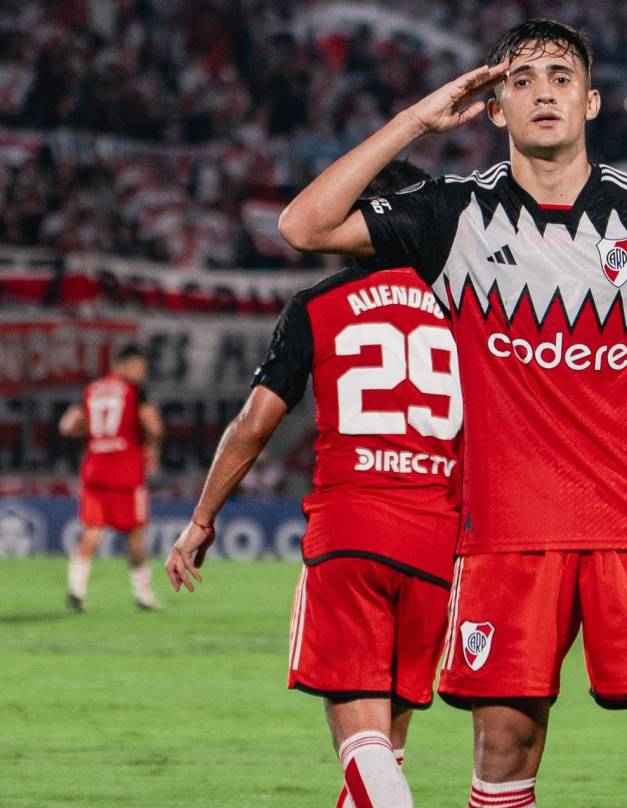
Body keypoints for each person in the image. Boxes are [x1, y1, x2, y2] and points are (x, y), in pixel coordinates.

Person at [277, 19, 627, 808]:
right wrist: (415, 120)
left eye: (562, 76)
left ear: (592, 101)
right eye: (523, 77)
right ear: (494, 106)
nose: (544, 90)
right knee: (504, 750)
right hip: (509, 532)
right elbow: (302, 227)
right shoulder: (450, 213)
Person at [165, 162, 463, 808]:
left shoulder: (320, 305)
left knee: (363, 748)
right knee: (384, 752)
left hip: (352, 535)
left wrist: (202, 519)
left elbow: (252, 425)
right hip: (437, 546)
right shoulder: (467, 314)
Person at [60, 344, 163, 612]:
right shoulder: (135, 391)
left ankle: (76, 591)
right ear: (126, 365)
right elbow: (154, 425)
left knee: (92, 533)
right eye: (139, 367)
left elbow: (67, 425)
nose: (141, 372)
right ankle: (143, 595)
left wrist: (91, 434)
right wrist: (151, 449)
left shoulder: (90, 390)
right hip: (126, 471)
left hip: (94, 468)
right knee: (136, 538)